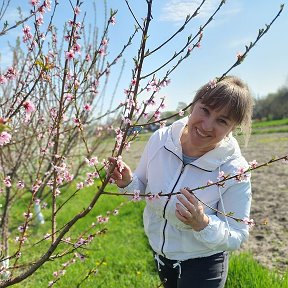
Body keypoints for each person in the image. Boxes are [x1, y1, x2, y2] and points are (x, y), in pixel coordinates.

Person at [109, 75, 253, 288]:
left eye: (222, 121)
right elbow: (142, 186)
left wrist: (203, 224)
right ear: (194, 105)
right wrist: (128, 183)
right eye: (205, 110)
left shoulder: (235, 170)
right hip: (161, 254)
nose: (207, 125)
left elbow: (239, 234)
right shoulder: (160, 139)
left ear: (232, 128)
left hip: (204, 263)